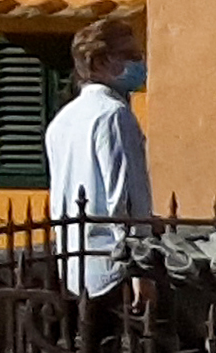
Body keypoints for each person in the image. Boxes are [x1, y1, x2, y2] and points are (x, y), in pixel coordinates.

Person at [46, 16, 153, 301]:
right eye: (130, 56)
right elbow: (125, 198)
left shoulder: (62, 120)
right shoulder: (114, 115)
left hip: (72, 264)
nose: (140, 63)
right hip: (113, 267)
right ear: (101, 62)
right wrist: (139, 269)